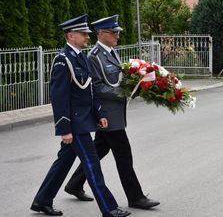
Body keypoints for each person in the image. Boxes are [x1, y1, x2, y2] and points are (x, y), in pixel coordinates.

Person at [30, 14, 130, 217]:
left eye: (86, 33)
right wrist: (64, 129)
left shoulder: (81, 57)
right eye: (83, 34)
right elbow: (59, 99)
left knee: (64, 162)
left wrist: (99, 113)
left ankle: (41, 200)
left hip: (85, 120)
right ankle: (109, 208)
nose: (87, 37)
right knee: (92, 164)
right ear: (70, 36)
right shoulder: (62, 60)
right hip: (75, 125)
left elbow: (89, 90)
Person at [64, 14, 160, 210]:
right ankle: (136, 197)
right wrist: (124, 92)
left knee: (100, 149)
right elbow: (96, 88)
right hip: (107, 115)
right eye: (113, 32)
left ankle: (74, 184)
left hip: (114, 113)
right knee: (124, 154)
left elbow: (117, 78)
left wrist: (138, 82)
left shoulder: (112, 52)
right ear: (101, 33)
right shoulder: (94, 57)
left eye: (117, 32)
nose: (117, 36)